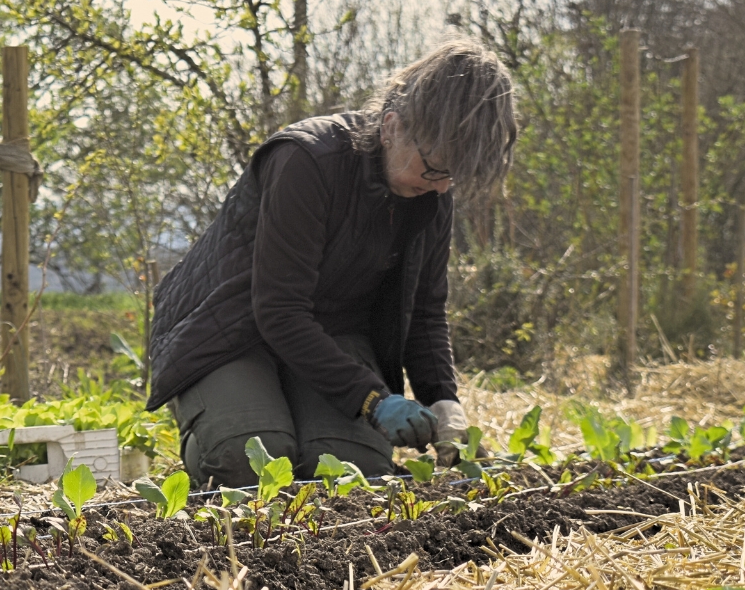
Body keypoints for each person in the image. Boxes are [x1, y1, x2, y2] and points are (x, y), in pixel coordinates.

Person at [145, 38, 517, 487]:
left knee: (349, 471)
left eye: (452, 175)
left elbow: (423, 311)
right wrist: (373, 400)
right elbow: (279, 311)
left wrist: (443, 401)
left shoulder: (431, 193)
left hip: (332, 335)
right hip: (232, 330)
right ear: (393, 126)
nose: (441, 187)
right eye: (436, 168)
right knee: (251, 459)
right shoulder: (306, 160)